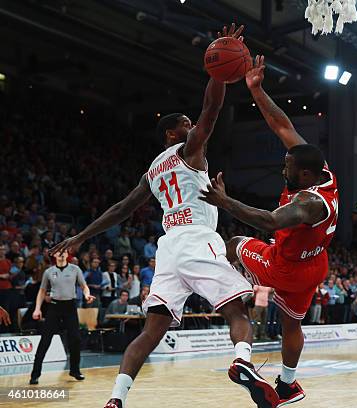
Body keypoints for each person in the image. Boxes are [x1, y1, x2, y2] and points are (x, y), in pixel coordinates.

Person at [51, 24, 278, 408]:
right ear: (173, 134)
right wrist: (219, 71)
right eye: (185, 125)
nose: (193, 127)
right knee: (236, 309)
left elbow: (121, 209)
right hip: (196, 237)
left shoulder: (152, 170)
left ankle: (115, 399)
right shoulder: (189, 150)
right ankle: (242, 361)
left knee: (152, 330)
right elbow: (212, 109)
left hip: (168, 248)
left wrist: (82, 236)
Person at [200, 55, 339, 407]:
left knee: (233, 243)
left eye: (288, 166)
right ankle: (289, 384)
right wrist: (257, 90)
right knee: (292, 326)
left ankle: (238, 318)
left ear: (305, 176)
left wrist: (225, 201)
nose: (283, 168)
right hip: (315, 266)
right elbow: (282, 125)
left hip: (285, 266)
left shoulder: (309, 203)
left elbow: (270, 221)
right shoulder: (321, 171)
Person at [30, 250, 95, 385]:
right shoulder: (49, 272)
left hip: (70, 306)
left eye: (64, 251)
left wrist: (87, 295)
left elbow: (84, 286)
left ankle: (75, 370)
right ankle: (35, 374)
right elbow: (42, 291)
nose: (61, 253)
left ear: (67, 254)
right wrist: (37, 309)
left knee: (75, 339)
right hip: (54, 307)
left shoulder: (75, 269)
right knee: (45, 340)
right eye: (58, 251)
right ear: (54, 255)